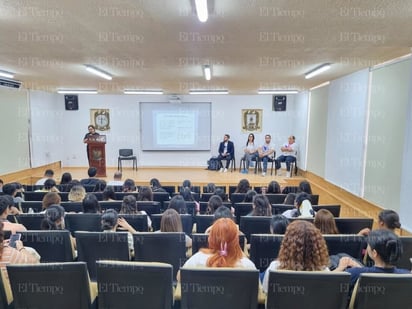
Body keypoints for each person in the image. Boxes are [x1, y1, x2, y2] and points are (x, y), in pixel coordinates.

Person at [262, 220, 330, 293]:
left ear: (286, 243)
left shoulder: (274, 268)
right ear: (316, 246)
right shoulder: (325, 272)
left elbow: (266, 292)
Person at [335, 229, 411, 289]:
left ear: (374, 253)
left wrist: (339, 268)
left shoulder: (353, 273)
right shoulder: (407, 275)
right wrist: (361, 268)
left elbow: (329, 285)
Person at [179, 218, 256, 271]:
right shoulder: (247, 265)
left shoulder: (197, 259)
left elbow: (180, 277)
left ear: (210, 239)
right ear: (236, 241)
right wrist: (241, 253)